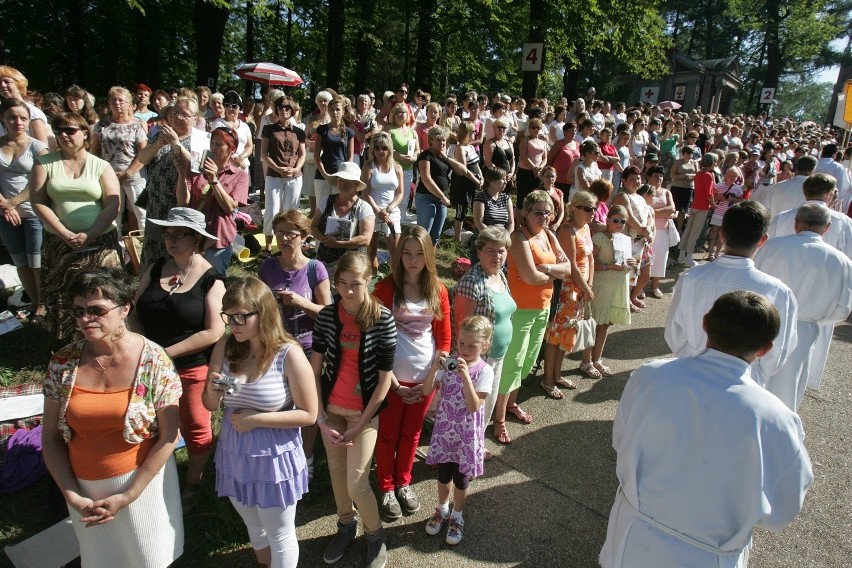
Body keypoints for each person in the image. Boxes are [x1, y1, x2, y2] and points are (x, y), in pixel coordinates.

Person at [600, 291, 813, 568]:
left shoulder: (650, 377)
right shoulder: (777, 419)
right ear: (765, 349)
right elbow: (784, 507)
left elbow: (621, 440)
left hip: (633, 535)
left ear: (705, 324)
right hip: (709, 554)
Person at [42, 267, 184, 567]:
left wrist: (129, 495)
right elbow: (51, 439)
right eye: (78, 310)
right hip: (85, 493)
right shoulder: (63, 362)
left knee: (149, 559)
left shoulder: (154, 360)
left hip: (142, 485)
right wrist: (73, 496)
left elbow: (169, 438)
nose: (84, 319)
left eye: (96, 310)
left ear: (124, 309)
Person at [203, 277, 317, 568]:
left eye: (241, 317)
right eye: (228, 317)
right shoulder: (226, 347)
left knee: (280, 534)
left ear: (263, 314)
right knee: (254, 528)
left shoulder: (288, 354)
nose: (233, 324)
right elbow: (209, 404)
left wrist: (257, 420)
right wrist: (212, 394)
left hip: (274, 459)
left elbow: (309, 414)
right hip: (235, 454)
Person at [130, 207, 225, 512]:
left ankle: (193, 480)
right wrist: (142, 346)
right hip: (147, 366)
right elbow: (133, 310)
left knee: (196, 427)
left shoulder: (212, 279)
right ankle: (156, 474)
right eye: (167, 234)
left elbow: (214, 331)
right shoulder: (156, 267)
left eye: (178, 234)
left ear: (197, 239)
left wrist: (165, 353)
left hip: (191, 367)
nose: (170, 239)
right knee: (151, 424)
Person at [311, 251, 394, 568]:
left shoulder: (383, 319)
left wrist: (361, 425)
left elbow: (385, 380)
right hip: (331, 410)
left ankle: (375, 535)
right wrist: (320, 419)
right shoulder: (327, 316)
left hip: (364, 413)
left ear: (369, 281)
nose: (347, 292)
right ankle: (346, 524)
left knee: (357, 481)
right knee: (336, 474)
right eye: (341, 284)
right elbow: (314, 369)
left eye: (355, 284)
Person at [665, 201, 798, 391]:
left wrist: (686, 354)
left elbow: (673, 331)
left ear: (722, 234)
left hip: (691, 370)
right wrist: (760, 372)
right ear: (762, 240)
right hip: (745, 380)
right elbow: (780, 348)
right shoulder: (778, 291)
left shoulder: (691, 277)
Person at [372, 225, 451, 521]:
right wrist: (392, 384)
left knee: (412, 435)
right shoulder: (385, 288)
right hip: (391, 381)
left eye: (419, 254)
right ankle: (386, 487)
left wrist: (430, 381)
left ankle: (404, 482)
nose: (413, 260)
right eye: (406, 253)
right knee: (388, 435)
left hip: (425, 380)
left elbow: (444, 340)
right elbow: (375, 338)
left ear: (428, 255)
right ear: (399, 255)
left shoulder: (438, 290)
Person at [30, 112, 122, 339]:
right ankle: (70, 340)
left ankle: (107, 334)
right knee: (65, 290)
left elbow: (112, 203)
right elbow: (38, 202)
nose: (63, 134)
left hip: (100, 239)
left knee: (104, 290)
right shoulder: (44, 164)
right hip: (60, 241)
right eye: (59, 130)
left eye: (70, 130)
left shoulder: (101, 165)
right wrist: (64, 233)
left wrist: (91, 234)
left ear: (85, 134)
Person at [754, 205, 852, 411]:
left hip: (764, 319)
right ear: (827, 227)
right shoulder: (842, 261)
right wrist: (814, 319)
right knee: (789, 384)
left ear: (796, 223)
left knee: (755, 376)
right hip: (806, 327)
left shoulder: (772, 246)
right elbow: (843, 308)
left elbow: (754, 280)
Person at [494, 190, 571, 444]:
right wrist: (554, 273)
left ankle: (511, 404)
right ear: (525, 213)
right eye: (538, 212)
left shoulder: (549, 235)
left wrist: (546, 269)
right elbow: (528, 277)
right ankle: (498, 420)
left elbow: (568, 268)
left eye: (548, 212)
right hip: (521, 311)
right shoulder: (519, 237)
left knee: (526, 363)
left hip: (543, 307)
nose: (544, 217)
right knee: (513, 364)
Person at [421, 315, 494, 546]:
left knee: (461, 478)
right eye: (461, 343)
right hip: (445, 432)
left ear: (485, 346)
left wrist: (465, 378)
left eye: (472, 345)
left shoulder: (484, 371)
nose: (464, 349)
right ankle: (442, 509)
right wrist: (435, 366)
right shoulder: (449, 363)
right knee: (443, 474)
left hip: (465, 436)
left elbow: (474, 406)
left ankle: (457, 515)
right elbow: (425, 391)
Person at [453, 226, 516, 429]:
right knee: (473, 407)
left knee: (487, 404)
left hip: (496, 355)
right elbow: (460, 326)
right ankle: (466, 448)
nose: (496, 256)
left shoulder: (499, 276)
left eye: (501, 251)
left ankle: (476, 445)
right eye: (490, 250)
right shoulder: (472, 282)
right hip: (478, 360)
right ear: (479, 251)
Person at [126, 96, 199, 271]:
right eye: (175, 113)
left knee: (175, 249)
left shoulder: (200, 138)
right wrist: (158, 143)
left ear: (195, 118)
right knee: (152, 250)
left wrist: (175, 142)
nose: (178, 118)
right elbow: (142, 158)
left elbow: (194, 165)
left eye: (184, 114)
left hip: (178, 205)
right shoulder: (160, 135)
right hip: (156, 204)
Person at [542, 191, 597, 396]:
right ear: (574, 208)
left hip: (581, 288)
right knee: (556, 334)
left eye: (594, 208)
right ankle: (548, 380)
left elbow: (590, 259)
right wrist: (585, 288)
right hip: (567, 289)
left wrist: (588, 284)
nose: (593, 212)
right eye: (588, 208)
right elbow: (571, 264)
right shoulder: (568, 230)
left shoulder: (585, 229)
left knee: (568, 333)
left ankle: (557, 375)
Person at [175, 126, 249, 275]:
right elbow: (183, 202)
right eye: (212, 143)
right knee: (188, 277)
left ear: (232, 150)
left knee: (213, 280)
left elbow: (229, 207)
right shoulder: (197, 169)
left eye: (219, 144)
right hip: (193, 235)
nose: (213, 148)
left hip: (218, 237)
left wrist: (214, 179)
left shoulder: (239, 175)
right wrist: (181, 174)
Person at [0, 98, 49, 319]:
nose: (17, 122)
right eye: (12, 117)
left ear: (29, 120)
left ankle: (43, 304)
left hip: (33, 211)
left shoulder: (38, 147)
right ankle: (33, 302)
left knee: (36, 261)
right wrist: (5, 205)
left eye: (22, 118)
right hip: (4, 213)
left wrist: (14, 202)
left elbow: (43, 180)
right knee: (20, 261)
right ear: (3, 119)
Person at [91, 86, 148, 235]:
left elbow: (144, 153)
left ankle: (145, 251)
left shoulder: (137, 125)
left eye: (121, 100)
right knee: (112, 216)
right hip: (108, 176)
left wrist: (127, 173)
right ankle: (116, 250)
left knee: (142, 215)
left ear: (129, 104)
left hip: (134, 177)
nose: (117, 103)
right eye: (113, 100)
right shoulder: (101, 125)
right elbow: (95, 151)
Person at [586, 205, 635, 378]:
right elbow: (590, 263)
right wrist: (610, 266)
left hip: (616, 285)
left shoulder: (624, 239)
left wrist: (632, 263)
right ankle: (586, 361)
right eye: (616, 220)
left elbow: (627, 263)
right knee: (595, 322)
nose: (619, 224)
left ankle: (597, 359)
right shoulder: (599, 237)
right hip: (602, 284)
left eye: (623, 221)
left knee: (606, 323)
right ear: (607, 220)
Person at [415, 126, 482, 245]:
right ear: (430, 140)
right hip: (427, 197)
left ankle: (430, 262)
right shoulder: (425, 156)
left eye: (443, 140)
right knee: (424, 234)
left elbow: (462, 170)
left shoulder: (445, 157)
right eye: (438, 140)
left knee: (435, 236)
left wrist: (446, 157)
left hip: (441, 201)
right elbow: (426, 179)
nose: (441, 142)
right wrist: (442, 196)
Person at [311, 161, 375, 277]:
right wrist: (325, 240)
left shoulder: (364, 208)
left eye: (347, 181)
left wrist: (337, 243)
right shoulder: (326, 200)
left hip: (353, 265)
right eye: (340, 180)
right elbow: (313, 226)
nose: (342, 183)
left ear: (356, 185)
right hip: (325, 261)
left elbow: (365, 239)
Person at [260, 98, 306, 258]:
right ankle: (267, 247)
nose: (284, 109)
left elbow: (302, 154)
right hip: (274, 175)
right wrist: (278, 168)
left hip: (294, 177)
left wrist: (295, 169)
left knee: (290, 212)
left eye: (287, 107)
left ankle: (289, 245)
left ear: (292, 109)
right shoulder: (269, 129)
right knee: (272, 211)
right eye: (280, 107)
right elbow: (264, 154)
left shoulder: (299, 131)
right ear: (276, 109)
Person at [361, 131, 403, 271]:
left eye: (384, 148)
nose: (380, 151)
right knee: (371, 250)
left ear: (389, 149)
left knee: (396, 248)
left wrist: (388, 209)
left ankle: (394, 279)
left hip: (391, 210)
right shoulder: (368, 167)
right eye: (377, 147)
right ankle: (372, 278)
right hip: (372, 210)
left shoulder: (397, 168)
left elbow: (400, 193)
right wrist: (378, 210)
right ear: (372, 149)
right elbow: (365, 193)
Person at [677, 153, 716, 267]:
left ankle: (681, 255)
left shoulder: (698, 174)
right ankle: (689, 257)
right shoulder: (708, 175)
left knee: (688, 230)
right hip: (702, 207)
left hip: (694, 205)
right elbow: (709, 194)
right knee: (695, 232)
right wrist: (713, 204)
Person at [645, 167, 676, 297]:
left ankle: (655, 286)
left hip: (663, 230)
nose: (659, 178)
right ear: (649, 177)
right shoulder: (644, 190)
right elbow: (643, 210)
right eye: (656, 176)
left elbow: (672, 209)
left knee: (660, 258)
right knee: (644, 258)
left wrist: (652, 212)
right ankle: (640, 287)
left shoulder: (666, 192)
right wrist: (662, 212)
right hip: (647, 230)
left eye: (661, 176)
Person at [449, 121, 482, 242]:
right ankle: (457, 238)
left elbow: (476, 164)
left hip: (474, 182)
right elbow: (463, 169)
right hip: (463, 184)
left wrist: (481, 177)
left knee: (476, 208)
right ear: (466, 133)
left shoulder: (471, 147)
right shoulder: (460, 148)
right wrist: (475, 179)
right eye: (473, 131)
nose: (475, 133)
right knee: (461, 211)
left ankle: (475, 234)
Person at [0, 66, 49, 143]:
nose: (2, 85)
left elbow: (42, 145)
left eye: (7, 81)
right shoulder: (2, 111)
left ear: (18, 84)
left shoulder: (32, 112)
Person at [209, 91, 254, 170]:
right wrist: (232, 160)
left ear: (240, 108)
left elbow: (249, 146)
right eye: (227, 105)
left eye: (234, 106)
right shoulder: (218, 123)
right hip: (223, 165)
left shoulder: (245, 126)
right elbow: (213, 144)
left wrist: (241, 158)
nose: (230, 108)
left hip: (242, 165)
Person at [516, 118, 548, 207]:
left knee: (534, 199)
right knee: (522, 199)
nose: (536, 129)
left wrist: (539, 168)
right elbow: (523, 156)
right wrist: (534, 167)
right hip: (525, 172)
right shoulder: (525, 140)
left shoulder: (543, 142)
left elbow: (545, 158)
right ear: (529, 129)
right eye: (533, 127)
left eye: (538, 127)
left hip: (538, 173)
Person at [669, 145, 698, 232]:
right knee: (673, 208)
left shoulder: (694, 163)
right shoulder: (678, 162)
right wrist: (683, 176)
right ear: (684, 153)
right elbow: (672, 175)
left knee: (683, 210)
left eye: (692, 153)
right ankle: (670, 228)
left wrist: (690, 176)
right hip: (677, 187)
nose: (690, 155)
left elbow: (698, 174)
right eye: (688, 153)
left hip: (688, 188)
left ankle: (679, 229)